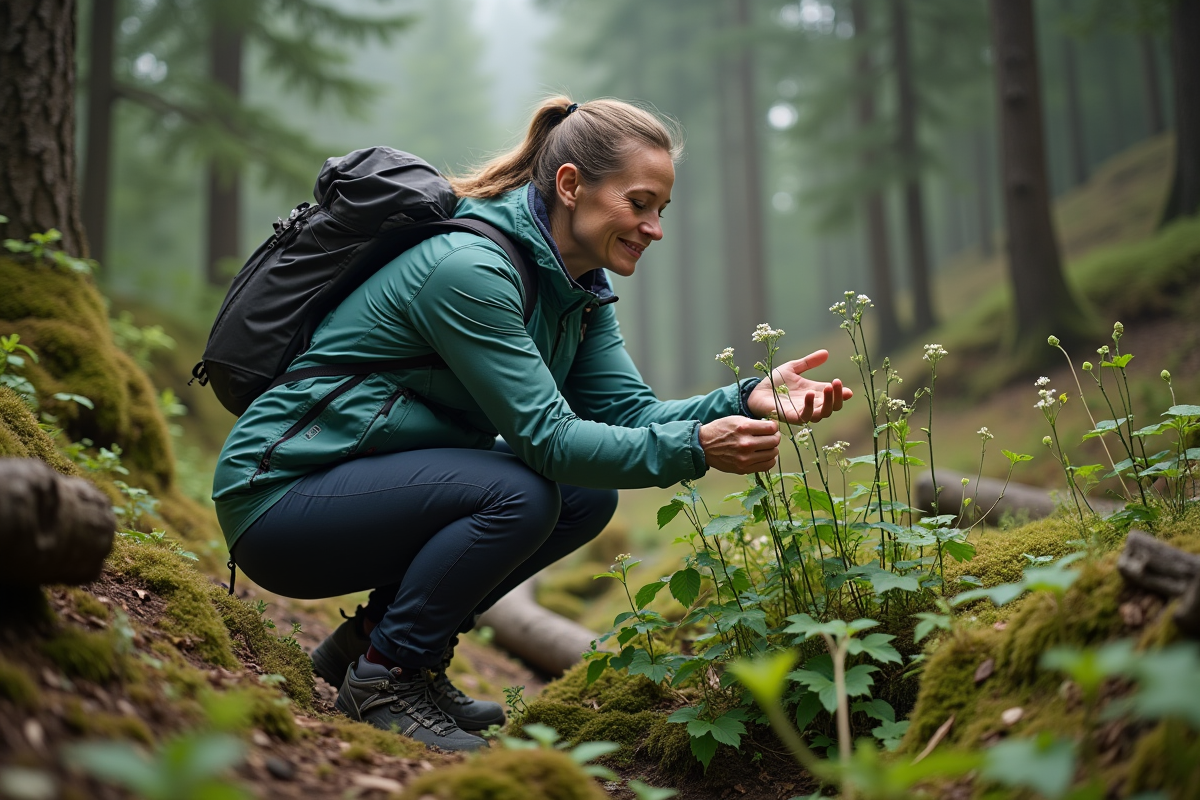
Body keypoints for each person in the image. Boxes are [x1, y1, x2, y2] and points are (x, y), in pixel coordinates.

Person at [212, 96, 852, 752]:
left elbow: (628, 416)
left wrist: (744, 398)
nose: (654, 227)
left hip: (355, 484)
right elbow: (549, 440)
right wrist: (695, 446)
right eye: (639, 203)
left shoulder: (577, 287)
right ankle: (389, 678)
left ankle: (368, 648)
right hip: (280, 495)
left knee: (584, 497)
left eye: (661, 209)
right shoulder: (471, 271)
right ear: (572, 186)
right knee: (524, 492)